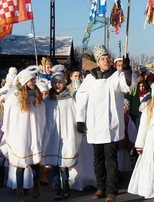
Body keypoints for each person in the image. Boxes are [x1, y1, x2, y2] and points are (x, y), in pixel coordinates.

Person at [76, 45, 136, 202]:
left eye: (108, 58)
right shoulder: (90, 79)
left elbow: (128, 86)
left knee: (111, 160)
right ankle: (100, 187)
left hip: (110, 125)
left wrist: (128, 70)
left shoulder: (116, 76)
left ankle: (111, 191)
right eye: (103, 58)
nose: (107, 60)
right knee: (97, 160)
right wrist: (80, 119)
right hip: (95, 125)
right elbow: (81, 98)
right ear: (97, 61)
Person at [1, 66, 46, 201]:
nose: (34, 82)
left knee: (34, 163)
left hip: (34, 133)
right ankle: (20, 192)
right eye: (31, 80)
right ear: (25, 82)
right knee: (20, 164)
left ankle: (36, 182)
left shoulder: (37, 97)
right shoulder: (15, 98)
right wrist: (9, 131)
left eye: (34, 79)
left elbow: (42, 115)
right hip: (20, 135)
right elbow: (9, 115)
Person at [42, 68, 80, 200]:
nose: (57, 85)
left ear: (64, 83)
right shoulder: (48, 101)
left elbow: (75, 116)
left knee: (64, 164)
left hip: (67, 134)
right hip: (52, 135)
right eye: (55, 82)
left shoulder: (70, 100)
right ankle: (57, 187)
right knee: (54, 164)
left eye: (60, 82)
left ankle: (65, 185)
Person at [117, 98, 137, 174]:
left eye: (124, 106)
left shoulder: (127, 118)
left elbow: (132, 131)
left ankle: (120, 170)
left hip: (123, 141)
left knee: (122, 157)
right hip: (116, 140)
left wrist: (132, 141)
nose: (123, 108)